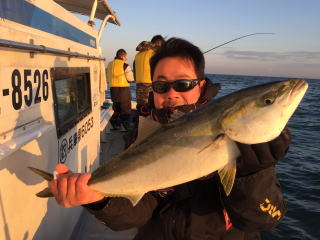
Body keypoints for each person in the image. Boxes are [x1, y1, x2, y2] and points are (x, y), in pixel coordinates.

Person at [50, 38, 291, 240]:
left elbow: (264, 219)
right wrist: (97, 199)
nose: (172, 94)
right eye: (161, 85)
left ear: (201, 86)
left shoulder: (247, 144)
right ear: (152, 90)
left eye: (183, 84)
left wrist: (252, 174)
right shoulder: (140, 135)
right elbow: (137, 211)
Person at [133, 35, 165, 116]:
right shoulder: (155, 54)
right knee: (152, 112)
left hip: (139, 87)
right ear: (159, 44)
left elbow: (135, 74)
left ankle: (139, 126)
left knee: (141, 109)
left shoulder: (138, 55)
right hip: (151, 87)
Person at [107, 49, 134, 130]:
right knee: (125, 110)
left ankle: (115, 125)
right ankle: (125, 127)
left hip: (113, 90)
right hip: (123, 90)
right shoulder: (125, 64)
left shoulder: (110, 64)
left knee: (116, 109)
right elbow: (130, 78)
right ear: (123, 56)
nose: (126, 58)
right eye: (125, 57)